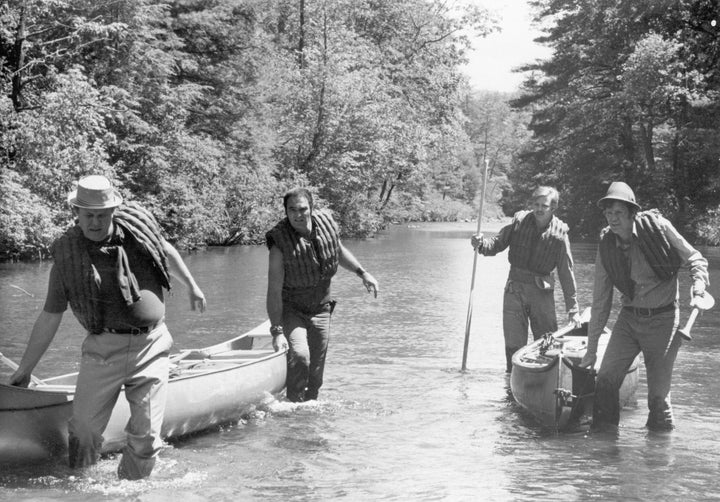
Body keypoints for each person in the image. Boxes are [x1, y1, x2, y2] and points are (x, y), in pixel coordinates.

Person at [9, 175, 207, 480]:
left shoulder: (138, 234)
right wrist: (24, 370)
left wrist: (192, 286)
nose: (95, 222)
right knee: (84, 431)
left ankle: (131, 488)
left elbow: (166, 250)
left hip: (151, 346)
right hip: (102, 349)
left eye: (102, 214)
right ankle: (82, 486)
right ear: (76, 212)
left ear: (113, 211)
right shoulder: (68, 255)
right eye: (88, 214)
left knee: (146, 437)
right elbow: (50, 316)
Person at [579, 181, 709, 432]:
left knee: (659, 398)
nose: (612, 219)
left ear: (631, 213)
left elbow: (695, 258)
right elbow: (600, 301)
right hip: (628, 320)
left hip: (663, 319)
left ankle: (659, 459)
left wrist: (698, 287)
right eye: (608, 213)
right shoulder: (606, 245)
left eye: (618, 213)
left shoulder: (658, 228)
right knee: (605, 380)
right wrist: (592, 349)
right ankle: (603, 453)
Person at [265, 188, 379, 402]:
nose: (298, 215)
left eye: (303, 209)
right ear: (285, 212)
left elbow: (337, 250)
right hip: (292, 310)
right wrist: (277, 331)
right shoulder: (279, 243)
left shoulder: (325, 224)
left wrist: (362, 273)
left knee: (316, 377)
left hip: (321, 309)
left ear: (312, 208)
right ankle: (293, 408)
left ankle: (308, 419)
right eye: (292, 210)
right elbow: (273, 290)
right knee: (300, 356)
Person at [471, 186, 581, 372]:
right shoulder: (519, 223)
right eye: (536, 204)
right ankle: (511, 381)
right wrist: (481, 244)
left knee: (547, 342)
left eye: (544, 206)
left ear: (553, 208)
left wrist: (573, 309)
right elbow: (496, 244)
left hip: (542, 293)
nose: (538, 209)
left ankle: (545, 379)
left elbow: (566, 273)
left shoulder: (560, 235)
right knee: (513, 346)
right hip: (515, 291)